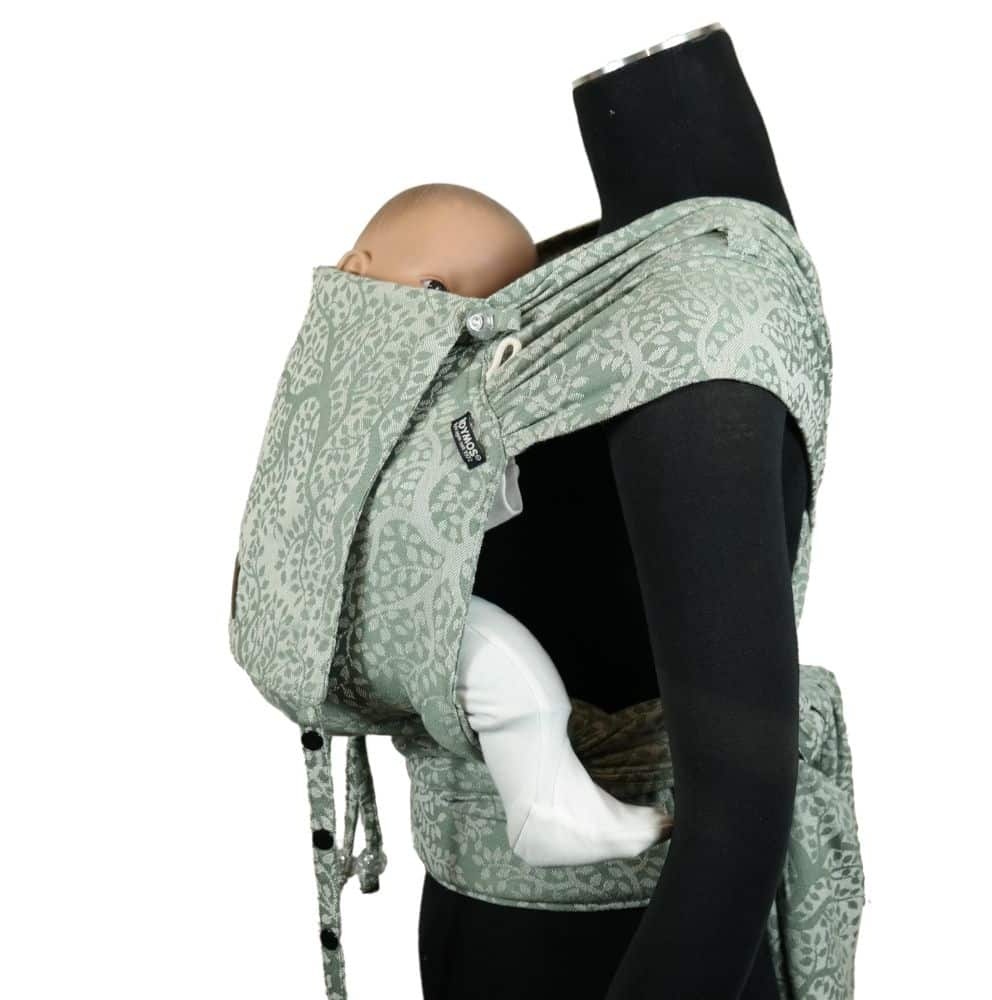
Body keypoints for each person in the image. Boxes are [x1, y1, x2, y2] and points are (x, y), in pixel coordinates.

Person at [418, 23, 805, 1000]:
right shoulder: (605, 293)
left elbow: (738, 813)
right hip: (494, 925)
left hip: (619, 955)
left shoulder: (697, 318)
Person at [336, 182, 673, 867]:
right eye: (437, 289)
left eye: (489, 311)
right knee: (513, 680)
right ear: (354, 273)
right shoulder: (358, 366)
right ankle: (545, 812)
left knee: (508, 669)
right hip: (358, 609)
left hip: (370, 603)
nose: (463, 322)